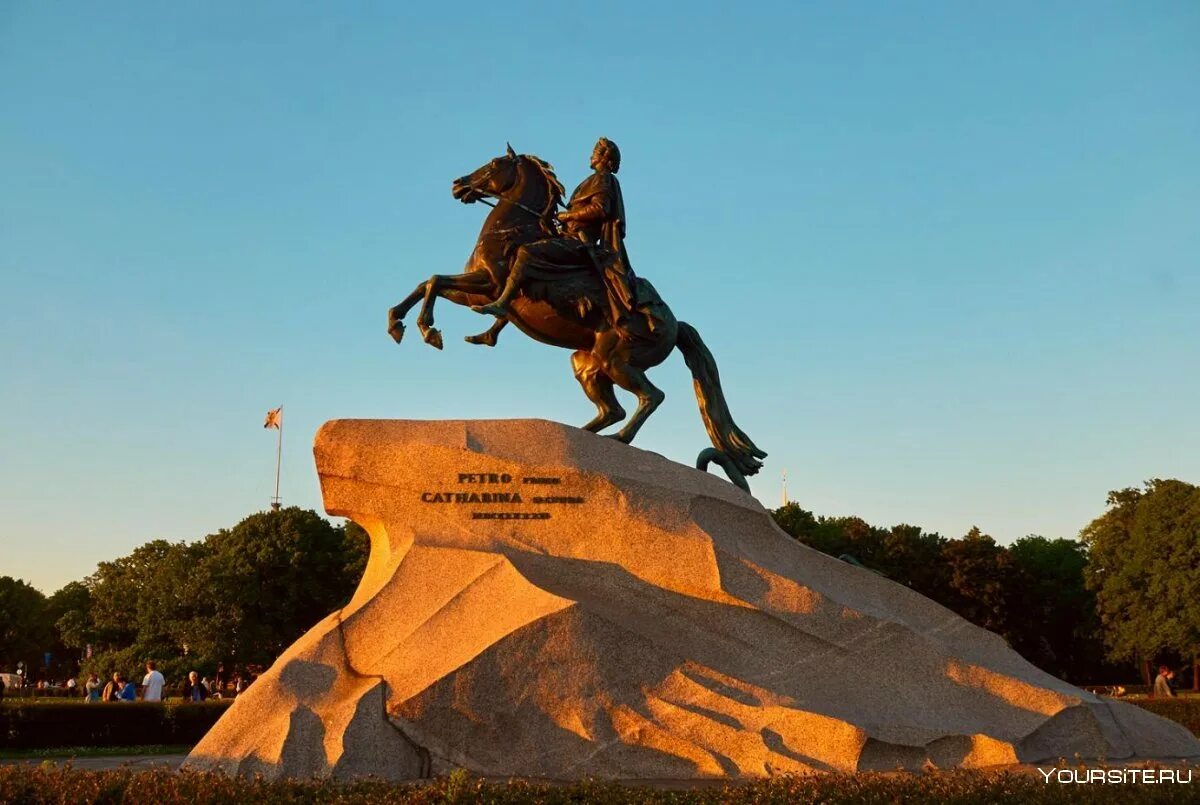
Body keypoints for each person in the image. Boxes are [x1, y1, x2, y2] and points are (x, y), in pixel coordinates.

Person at [472, 137, 655, 335]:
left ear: (604, 158)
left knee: (526, 253)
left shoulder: (603, 179)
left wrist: (568, 215)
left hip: (579, 242)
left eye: (595, 152)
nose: (591, 155)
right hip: (570, 236)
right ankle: (494, 331)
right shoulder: (593, 180)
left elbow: (600, 209)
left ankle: (502, 303)